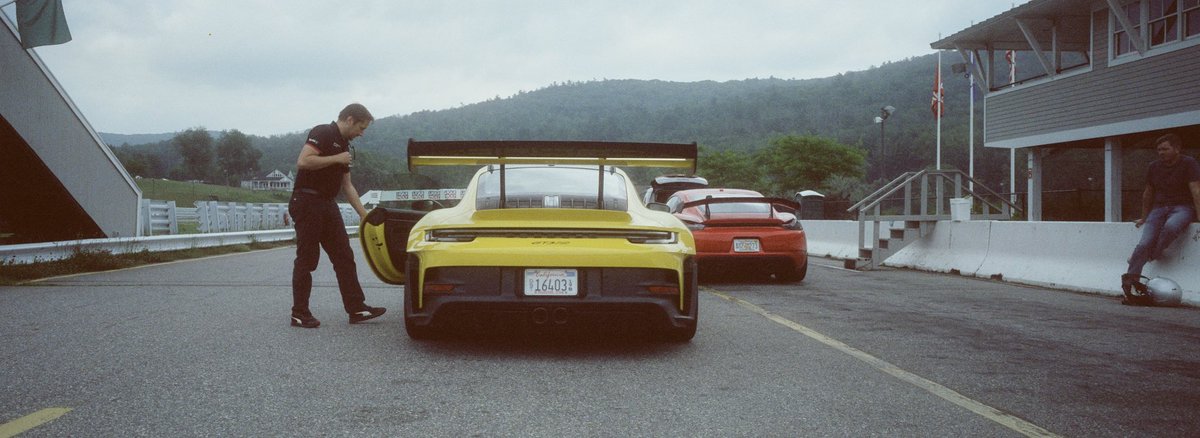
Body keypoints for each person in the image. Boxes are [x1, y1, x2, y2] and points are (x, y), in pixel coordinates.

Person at [289, 103, 385, 328]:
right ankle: (299, 313)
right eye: (361, 128)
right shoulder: (323, 132)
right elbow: (303, 161)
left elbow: (347, 185)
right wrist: (336, 159)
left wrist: (364, 215)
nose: (362, 133)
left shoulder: (344, 145)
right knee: (308, 258)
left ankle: (357, 308)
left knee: (344, 256)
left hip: (327, 203)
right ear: (350, 120)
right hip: (306, 200)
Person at [1122, 132, 1200, 294]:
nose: (1161, 153)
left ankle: (1153, 254)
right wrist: (1144, 217)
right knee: (1143, 244)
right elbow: (1148, 193)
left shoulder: (1189, 163)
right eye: (1159, 150)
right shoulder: (1154, 166)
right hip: (1159, 208)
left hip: (1183, 207)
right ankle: (1130, 283)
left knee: (1171, 227)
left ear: (1177, 149)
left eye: (1165, 149)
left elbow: (1196, 190)